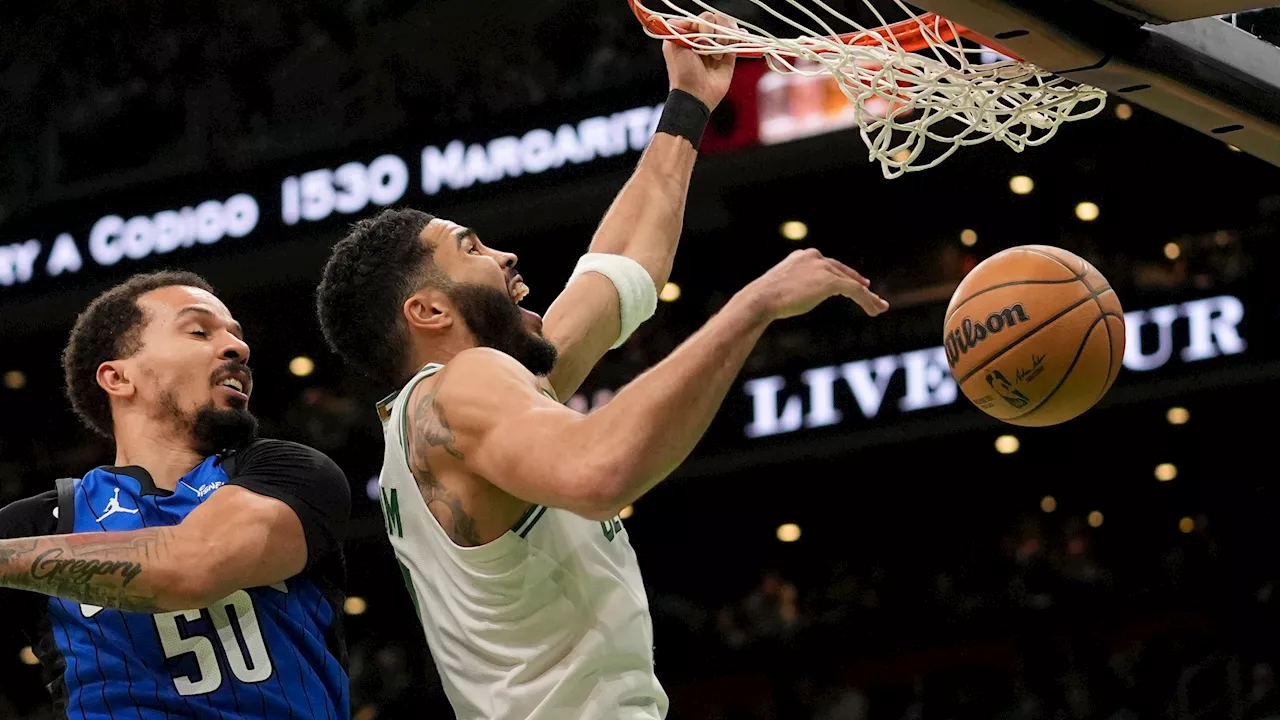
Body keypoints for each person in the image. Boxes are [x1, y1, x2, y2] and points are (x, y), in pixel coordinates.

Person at [315, 14, 888, 720]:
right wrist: (752, 308)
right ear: (429, 311)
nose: (505, 257)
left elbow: (619, 271)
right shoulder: (463, 388)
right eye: (472, 250)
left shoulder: (463, 412)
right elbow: (598, 472)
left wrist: (688, 105)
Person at [0, 271, 352, 719]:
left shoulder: (292, 473)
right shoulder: (39, 523)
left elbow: (193, 564)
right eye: (199, 331)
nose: (238, 348)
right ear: (118, 377)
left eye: (237, 337)